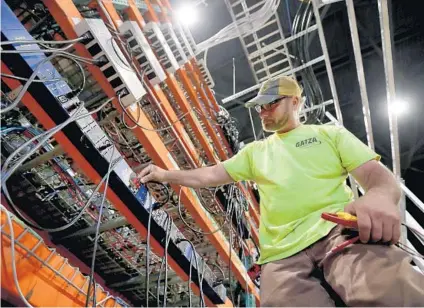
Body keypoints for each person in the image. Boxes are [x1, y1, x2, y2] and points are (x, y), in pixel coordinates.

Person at [138, 76, 424, 306]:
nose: (262, 111)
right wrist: (165, 174)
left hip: (336, 233)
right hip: (280, 257)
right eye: (259, 107)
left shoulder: (328, 135)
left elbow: (377, 177)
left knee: (390, 291)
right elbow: (212, 174)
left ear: (295, 102)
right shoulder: (255, 153)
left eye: (271, 103)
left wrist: (379, 197)